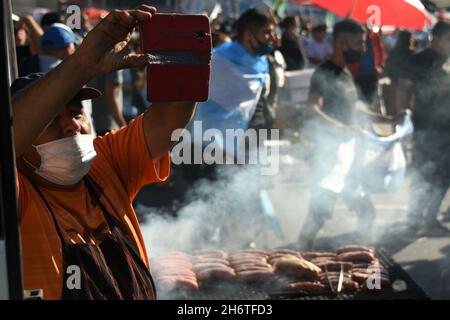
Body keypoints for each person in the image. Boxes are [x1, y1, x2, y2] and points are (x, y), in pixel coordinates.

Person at [12, 5, 197, 300]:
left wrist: (182, 48)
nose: (72, 126)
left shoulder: (105, 161)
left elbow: (169, 119)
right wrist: (83, 64)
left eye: (76, 113)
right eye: (50, 120)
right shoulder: (17, 193)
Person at [298, 19, 390, 250]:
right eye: (359, 44)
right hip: (329, 156)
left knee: (366, 210)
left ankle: (362, 252)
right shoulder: (325, 72)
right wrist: (343, 128)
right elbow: (312, 109)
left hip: (347, 156)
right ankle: (301, 254)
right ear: (342, 43)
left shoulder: (346, 73)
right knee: (319, 213)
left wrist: (384, 119)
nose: (364, 49)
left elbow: (355, 106)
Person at [394, 21, 450, 235]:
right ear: (435, 38)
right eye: (448, 39)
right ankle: (414, 219)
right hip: (426, 128)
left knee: (444, 177)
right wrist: (401, 114)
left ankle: (431, 217)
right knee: (422, 173)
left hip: (447, 129)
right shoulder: (419, 59)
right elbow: (403, 87)